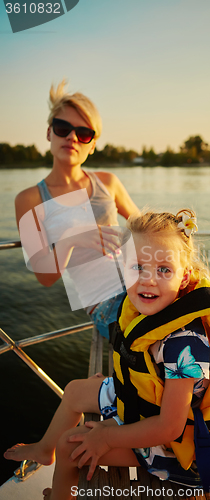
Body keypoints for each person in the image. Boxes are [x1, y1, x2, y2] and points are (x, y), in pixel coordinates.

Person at [5, 208, 210, 500]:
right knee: (73, 392)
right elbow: (142, 364)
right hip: (140, 402)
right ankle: (45, 450)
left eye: (163, 269)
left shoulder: (184, 345)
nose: (148, 279)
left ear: (184, 277)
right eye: (138, 267)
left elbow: (169, 427)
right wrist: (118, 383)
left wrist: (107, 436)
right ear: (123, 269)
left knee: (70, 447)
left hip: (169, 447)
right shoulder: (143, 307)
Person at [14, 80, 139, 336]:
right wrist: (70, 241)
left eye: (84, 134)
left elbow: (144, 225)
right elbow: (45, 277)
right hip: (105, 302)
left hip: (144, 281)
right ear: (49, 133)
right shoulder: (29, 199)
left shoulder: (108, 182)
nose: (72, 137)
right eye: (63, 128)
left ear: (92, 145)